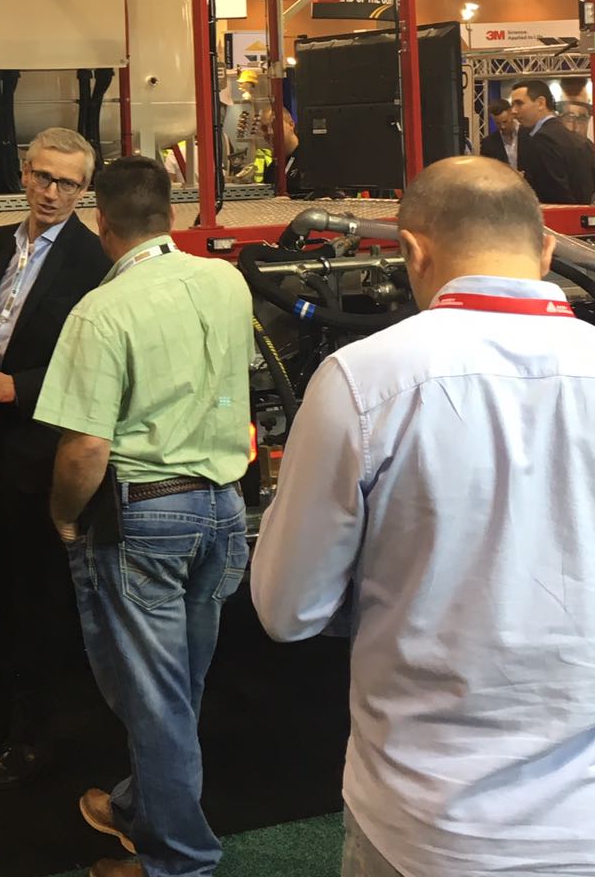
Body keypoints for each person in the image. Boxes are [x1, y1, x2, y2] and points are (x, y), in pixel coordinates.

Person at [251, 155, 595, 877]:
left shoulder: (364, 381)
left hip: (426, 826)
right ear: (544, 250)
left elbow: (289, 610)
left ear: (411, 250)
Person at [35, 155, 253, 877]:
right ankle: (140, 806)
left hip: (145, 517)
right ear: (173, 214)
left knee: (156, 699)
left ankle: (180, 862)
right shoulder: (226, 282)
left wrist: (65, 518)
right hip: (224, 510)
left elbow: (84, 449)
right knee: (179, 687)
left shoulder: (100, 311)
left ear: (101, 222)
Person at [0, 127, 110, 786]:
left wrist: (20, 387)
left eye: (67, 184)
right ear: (24, 173)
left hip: (39, 451)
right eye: (43, 177)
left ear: (84, 191)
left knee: (35, 600)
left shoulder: (91, 262)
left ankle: (31, 736)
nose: (51, 192)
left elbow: (97, 361)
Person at [510, 78, 595, 203]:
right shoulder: (582, 141)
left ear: (540, 103)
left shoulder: (543, 140)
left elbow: (554, 196)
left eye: (519, 103)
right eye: (512, 105)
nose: (513, 111)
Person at [478, 96, 518, 169]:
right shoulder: (488, 143)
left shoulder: (528, 134)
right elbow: (485, 169)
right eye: (498, 123)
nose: (502, 126)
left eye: (505, 121)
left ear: (512, 114)